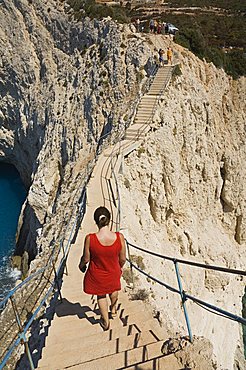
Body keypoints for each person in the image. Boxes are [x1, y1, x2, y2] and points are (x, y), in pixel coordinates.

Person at [79, 206, 126, 331]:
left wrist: (81, 265)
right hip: (114, 270)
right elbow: (123, 259)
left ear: (96, 221)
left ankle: (105, 322)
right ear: (109, 220)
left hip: (97, 274)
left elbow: (86, 259)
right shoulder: (119, 237)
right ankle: (114, 310)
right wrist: (118, 267)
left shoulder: (90, 239)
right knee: (114, 289)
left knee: (101, 296)